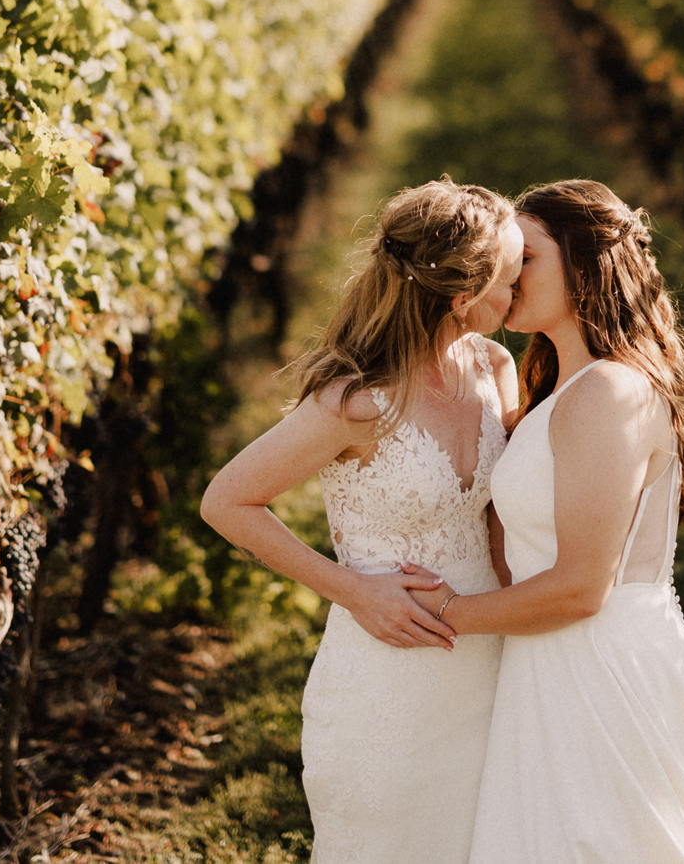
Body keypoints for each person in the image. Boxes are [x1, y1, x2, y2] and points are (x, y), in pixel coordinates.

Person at [413, 178, 684, 864]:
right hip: (551, 657)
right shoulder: (561, 390)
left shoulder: (608, 392)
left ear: (585, 263)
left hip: (601, 662)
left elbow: (580, 587)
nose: (507, 274)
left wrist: (443, 613)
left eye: (527, 257)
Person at [199, 178, 522, 864]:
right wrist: (353, 589)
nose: (519, 291)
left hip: (488, 655)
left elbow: (501, 515)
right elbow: (226, 501)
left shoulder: (496, 367)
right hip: (387, 670)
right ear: (462, 300)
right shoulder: (355, 403)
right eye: (511, 276)